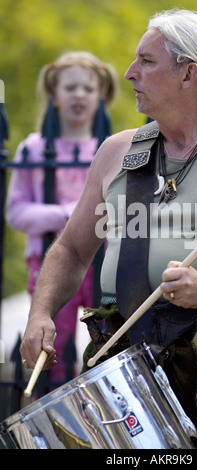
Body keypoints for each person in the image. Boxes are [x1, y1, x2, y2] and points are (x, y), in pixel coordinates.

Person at [19, 10, 197, 448]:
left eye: (146, 62)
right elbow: (72, 250)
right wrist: (40, 315)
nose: (129, 74)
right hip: (117, 364)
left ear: (189, 73)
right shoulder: (116, 151)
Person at [7, 51, 118, 386]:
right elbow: (16, 212)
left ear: (101, 94)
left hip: (103, 261)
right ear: (54, 95)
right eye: (70, 87)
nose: (79, 95)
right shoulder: (34, 149)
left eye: (87, 88)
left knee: (107, 343)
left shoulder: (110, 148)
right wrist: (68, 214)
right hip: (48, 262)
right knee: (52, 347)